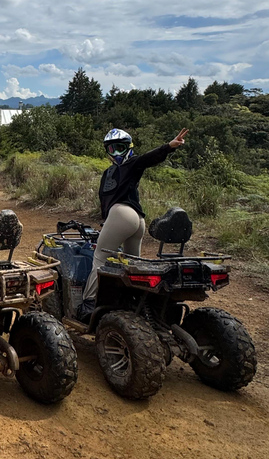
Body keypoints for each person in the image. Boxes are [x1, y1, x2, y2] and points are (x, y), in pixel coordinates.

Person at [76, 127, 189, 322]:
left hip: (121, 214)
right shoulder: (112, 171)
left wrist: (170, 146)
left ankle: (88, 303)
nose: (116, 153)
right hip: (137, 220)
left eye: (120, 148)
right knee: (133, 264)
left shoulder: (130, 165)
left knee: (100, 258)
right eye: (111, 149)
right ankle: (134, 304)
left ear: (128, 147)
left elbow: (148, 158)